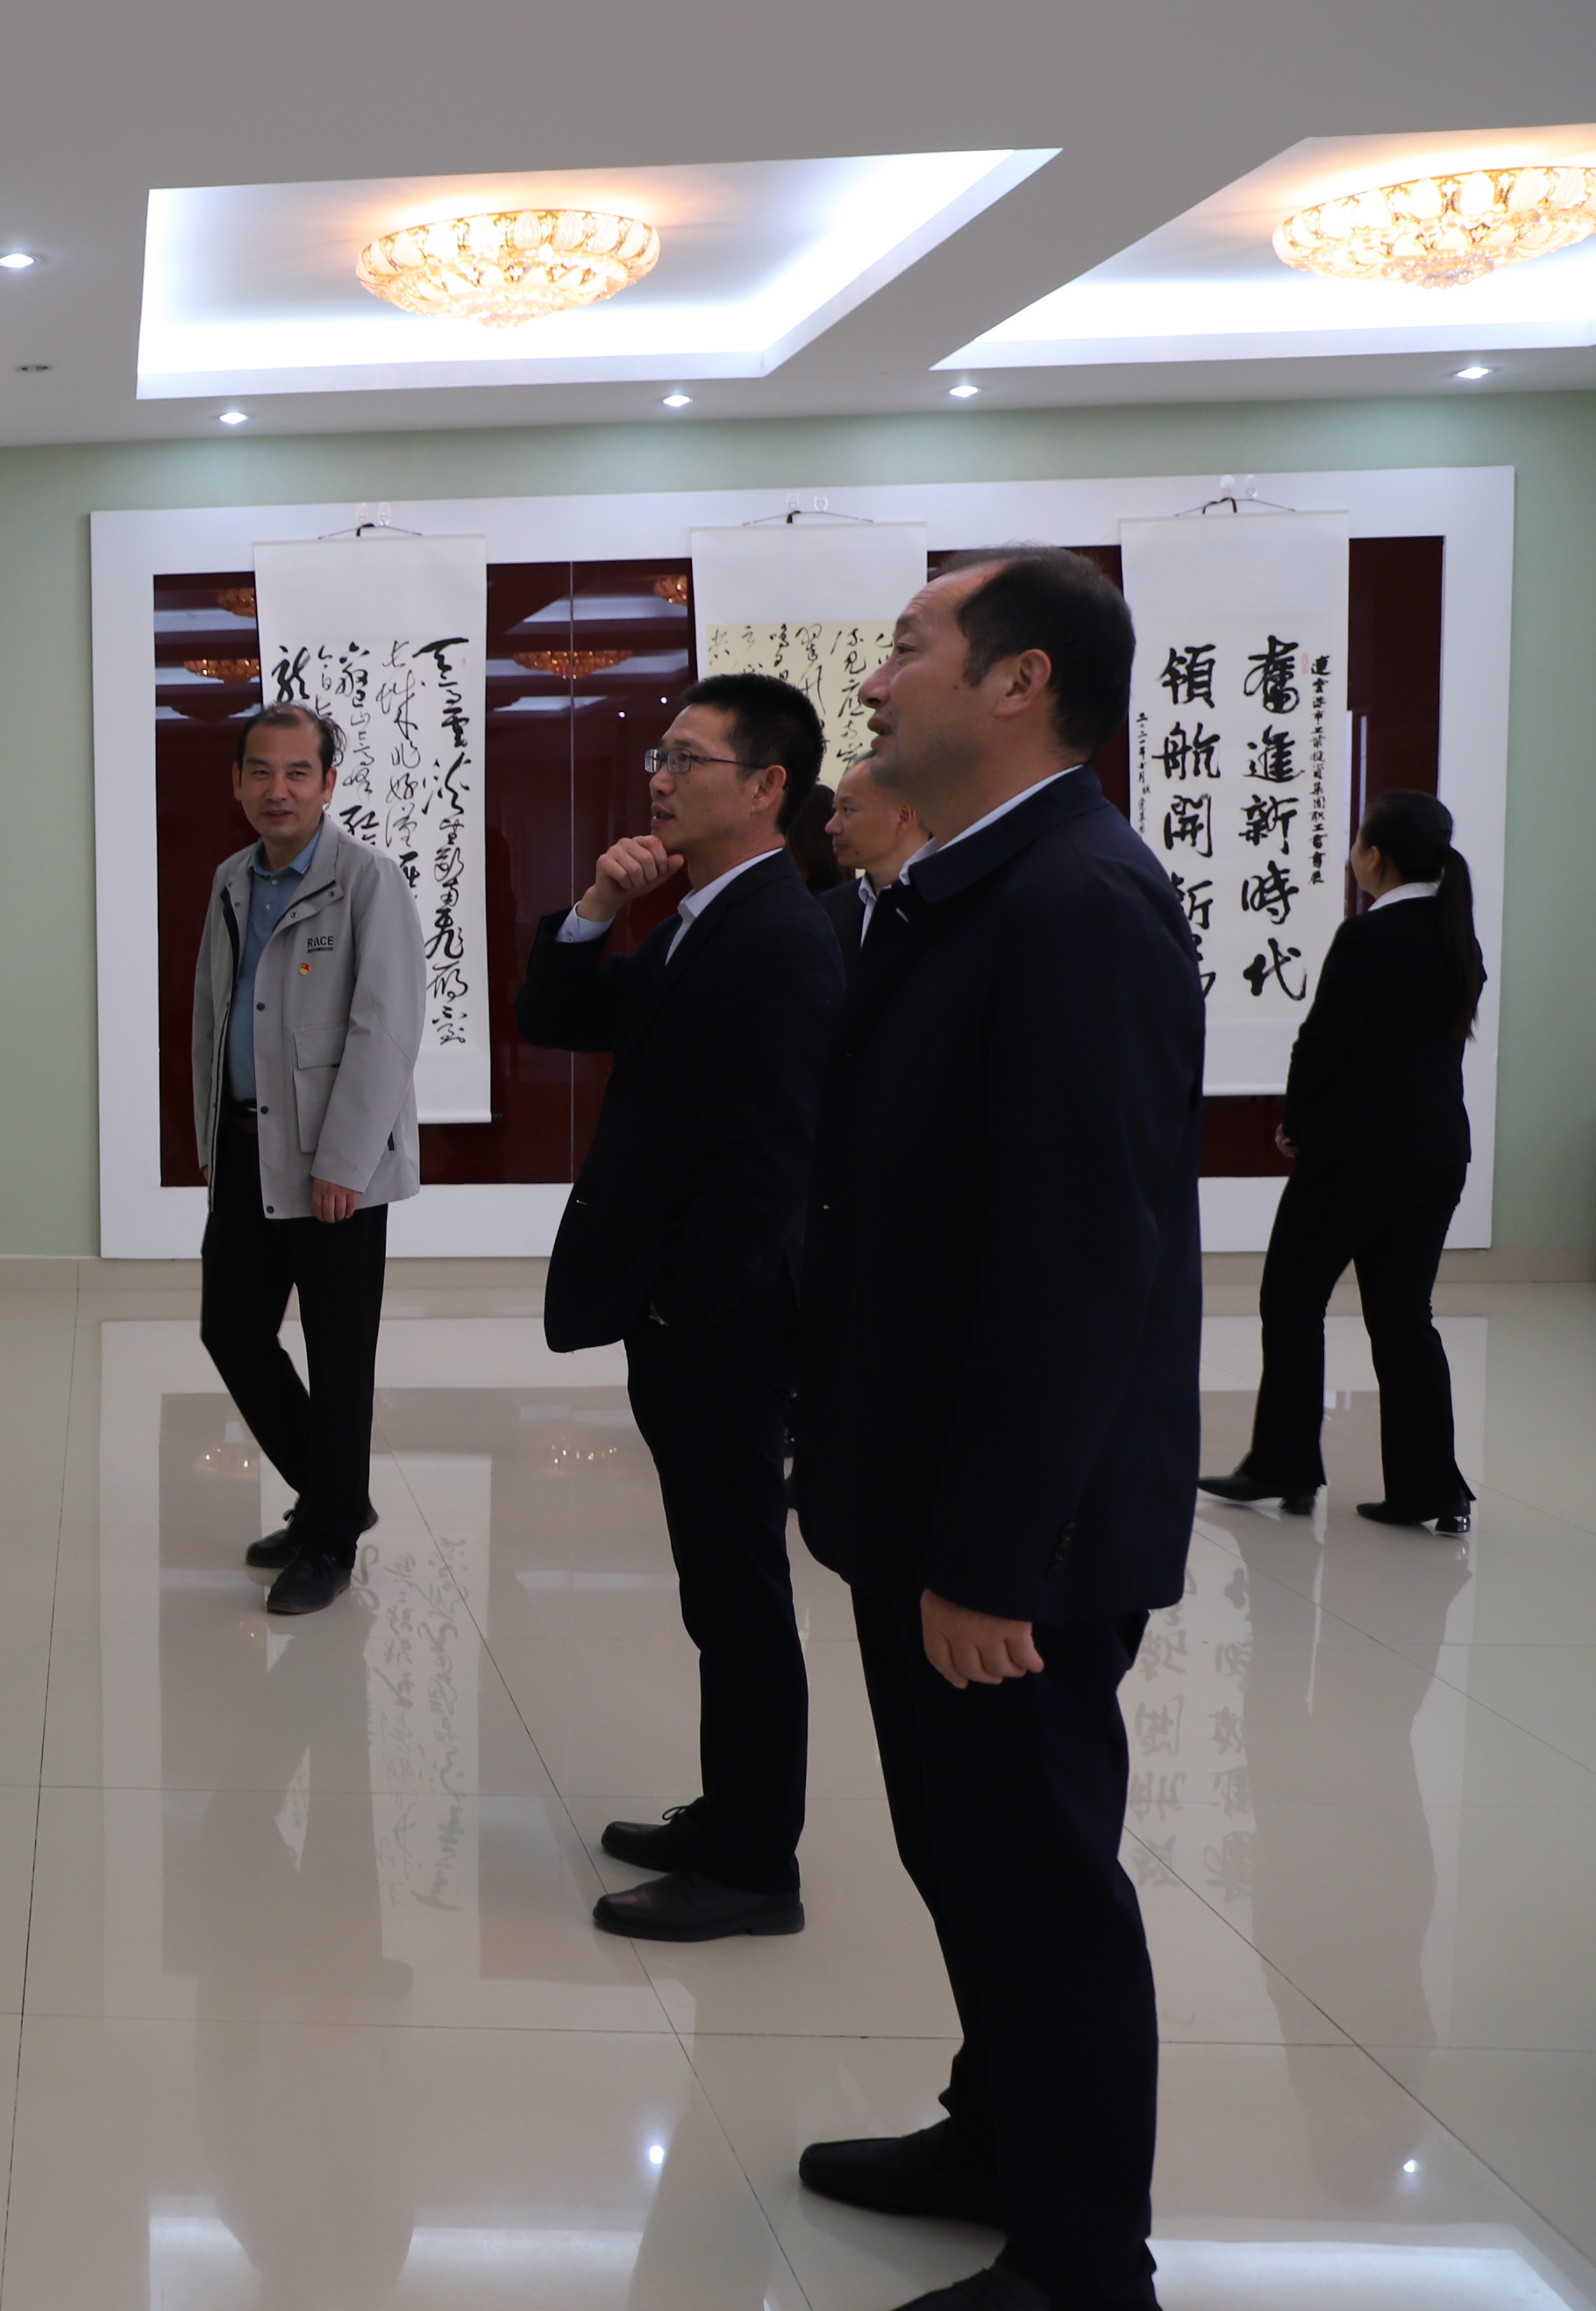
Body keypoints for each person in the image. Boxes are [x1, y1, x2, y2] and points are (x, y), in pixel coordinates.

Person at [793, 548, 1202, 2311]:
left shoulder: (1077, 903)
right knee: (962, 1852)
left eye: (907, 648)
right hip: (928, 1492)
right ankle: (997, 2136)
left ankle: (1082, 2260)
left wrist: (989, 1557)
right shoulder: (977, 885)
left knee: (1035, 1877)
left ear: (1019, 681)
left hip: (1010, 1536)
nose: (873, 684)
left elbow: (1077, 1266)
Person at [515, 674, 844, 1943]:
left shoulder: (778, 935)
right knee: (717, 1585)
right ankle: (729, 1814)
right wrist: (598, 906)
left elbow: (768, 1166)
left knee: (740, 1591)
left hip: (723, 1326)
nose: (658, 776)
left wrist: (682, 1311)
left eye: (688, 759)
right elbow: (557, 1015)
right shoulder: (704, 915)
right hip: (698, 1317)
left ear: (766, 787)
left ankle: (755, 1867)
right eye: (659, 753)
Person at [191, 702, 428, 1618]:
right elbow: (213, 1017)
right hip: (245, 1151)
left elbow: (385, 1029)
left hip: (335, 1167)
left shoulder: (367, 879)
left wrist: (345, 1161)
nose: (277, 789)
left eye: (297, 772)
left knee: (337, 1354)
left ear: (328, 783)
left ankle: (327, 1539)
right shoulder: (230, 879)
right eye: (260, 770)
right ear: (237, 780)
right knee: (231, 1331)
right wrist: (209, 1141)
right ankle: (335, 1496)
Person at [1200, 790, 1485, 1535]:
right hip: (1436, 1154)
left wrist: (1297, 1124)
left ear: (1375, 857)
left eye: (1358, 842)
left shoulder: (1369, 938)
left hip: (1357, 1155)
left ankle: (1284, 1465)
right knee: (1404, 1316)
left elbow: (1321, 1043)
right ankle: (1432, 1488)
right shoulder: (1456, 937)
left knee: (1293, 1301)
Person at [821, 754, 928, 952]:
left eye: (848, 810)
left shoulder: (960, 905)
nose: (831, 827)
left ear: (903, 816)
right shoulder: (826, 911)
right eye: (835, 810)